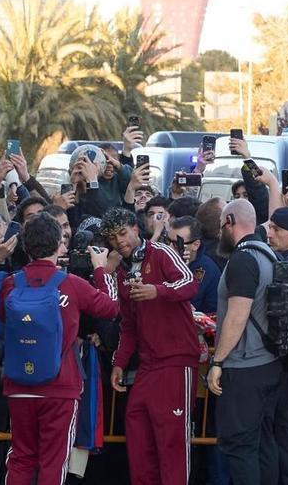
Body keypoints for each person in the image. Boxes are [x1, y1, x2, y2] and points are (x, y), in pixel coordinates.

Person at [0, 213, 119, 485]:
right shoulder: (72, 285)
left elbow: (4, 321)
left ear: (25, 246)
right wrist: (101, 270)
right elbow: (111, 307)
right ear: (58, 244)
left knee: (20, 456)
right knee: (54, 460)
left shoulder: (10, 284)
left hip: (18, 383)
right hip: (60, 385)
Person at [103, 207, 199, 485]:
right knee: (138, 439)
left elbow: (189, 283)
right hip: (147, 365)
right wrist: (119, 363)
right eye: (112, 238)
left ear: (135, 228)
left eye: (122, 233)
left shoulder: (161, 252)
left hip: (176, 360)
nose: (119, 241)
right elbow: (128, 326)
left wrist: (158, 290)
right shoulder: (122, 273)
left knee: (172, 443)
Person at [206, 198, 286, 483]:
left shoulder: (242, 259)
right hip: (270, 363)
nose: (219, 232)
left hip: (245, 367)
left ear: (229, 222)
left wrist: (218, 361)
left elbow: (237, 315)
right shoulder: (269, 254)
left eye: (220, 225)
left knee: (241, 448)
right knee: (263, 443)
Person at [167, 216, 219, 314]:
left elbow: (212, 312)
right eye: (167, 241)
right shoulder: (160, 259)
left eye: (177, 244)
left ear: (195, 245)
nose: (169, 248)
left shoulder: (209, 270)